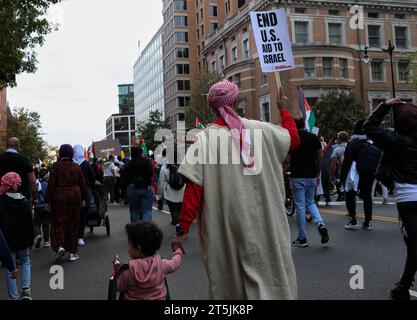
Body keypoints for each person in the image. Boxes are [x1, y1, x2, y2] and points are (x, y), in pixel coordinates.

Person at [172, 80, 300, 299]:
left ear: (212, 106)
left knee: (230, 283)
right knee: (267, 277)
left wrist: (182, 231)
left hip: (226, 226)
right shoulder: (261, 130)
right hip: (262, 221)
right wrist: (284, 110)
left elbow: (193, 190)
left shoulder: (203, 140)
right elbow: (293, 140)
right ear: (236, 101)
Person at [363, 99, 417, 300]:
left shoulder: (395, 140)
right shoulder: (396, 140)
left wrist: (384, 105)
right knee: (413, 244)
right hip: (407, 195)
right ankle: (403, 285)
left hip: (407, 197)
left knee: (413, 244)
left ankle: (403, 286)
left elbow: (368, 127)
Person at [112, 221, 183, 300]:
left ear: (138, 249)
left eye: (129, 244)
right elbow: (175, 263)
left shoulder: (128, 271)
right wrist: (178, 251)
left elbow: (118, 287)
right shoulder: (161, 264)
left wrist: (116, 267)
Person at [289, 118, 330, 247]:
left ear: (295, 126)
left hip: (297, 175)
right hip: (311, 175)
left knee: (300, 206)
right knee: (311, 202)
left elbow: (287, 159)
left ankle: (302, 238)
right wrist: (317, 174)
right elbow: (320, 157)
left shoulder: (293, 139)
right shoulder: (313, 138)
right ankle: (320, 224)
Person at [45, 145, 86, 262]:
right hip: (74, 195)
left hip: (59, 196)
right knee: (73, 223)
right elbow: (82, 184)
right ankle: (73, 252)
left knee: (59, 222)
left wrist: (47, 200)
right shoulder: (76, 167)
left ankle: (60, 245)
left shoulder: (55, 167)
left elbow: (51, 184)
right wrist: (83, 198)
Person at [340, 120, 381, 231]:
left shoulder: (352, 143)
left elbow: (347, 162)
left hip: (354, 174)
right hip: (368, 172)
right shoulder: (371, 142)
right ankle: (367, 223)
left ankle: (353, 221)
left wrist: (342, 177)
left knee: (349, 195)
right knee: (367, 196)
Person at [0, 172, 35, 300]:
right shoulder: (24, 201)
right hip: (23, 238)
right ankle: (26, 291)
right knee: (26, 261)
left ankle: (13, 297)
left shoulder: (1, 201)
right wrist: (31, 239)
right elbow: (30, 223)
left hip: (7, 240)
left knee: (11, 267)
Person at [0, 137, 38, 207]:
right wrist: (35, 198)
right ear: (18, 147)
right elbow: (32, 181)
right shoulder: (25, 160)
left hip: (2, 199)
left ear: (6, 146)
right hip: (21, 200)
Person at [123, 147, 154, 223]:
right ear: (141, 153)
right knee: (146, 211)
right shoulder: (147, 162)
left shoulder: (129, 164)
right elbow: (150, 173)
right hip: (145, 188)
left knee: (134, 211)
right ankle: (146, 228)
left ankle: (134, 229)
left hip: (132, 189)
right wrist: (146, 182)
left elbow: (125, 179)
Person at [73, 145, 96, 247]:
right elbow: (92, 177)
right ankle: (80, 237)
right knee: (82, 213)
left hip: (72, 190)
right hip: (85, 190)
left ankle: (72, 235)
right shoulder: (86, 164)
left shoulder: (72, 164)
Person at [157, 150, 185, 226]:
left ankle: (175, 221)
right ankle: (180, 221)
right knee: (180, 208)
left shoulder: (165, 167)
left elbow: (161, 182)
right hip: (182, 191)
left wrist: (160, 195)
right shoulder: (184, 165)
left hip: (169, 191)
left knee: (173, 208)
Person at [33, 167, 51, 249]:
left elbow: (33, 196)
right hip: (46, 208)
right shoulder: (48, 186)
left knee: (37, 224)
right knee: (46, 224)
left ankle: (38, 235)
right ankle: (47, 241)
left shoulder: (36, 185)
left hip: (37, 208)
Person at [331, 132, 349, 202]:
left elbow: (333, 164)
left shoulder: (337, 150)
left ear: (339, 139)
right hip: (352, 171)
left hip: (342, 171)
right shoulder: (351, 147)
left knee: (340, 183)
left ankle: (342, 195)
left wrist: (332, 174)